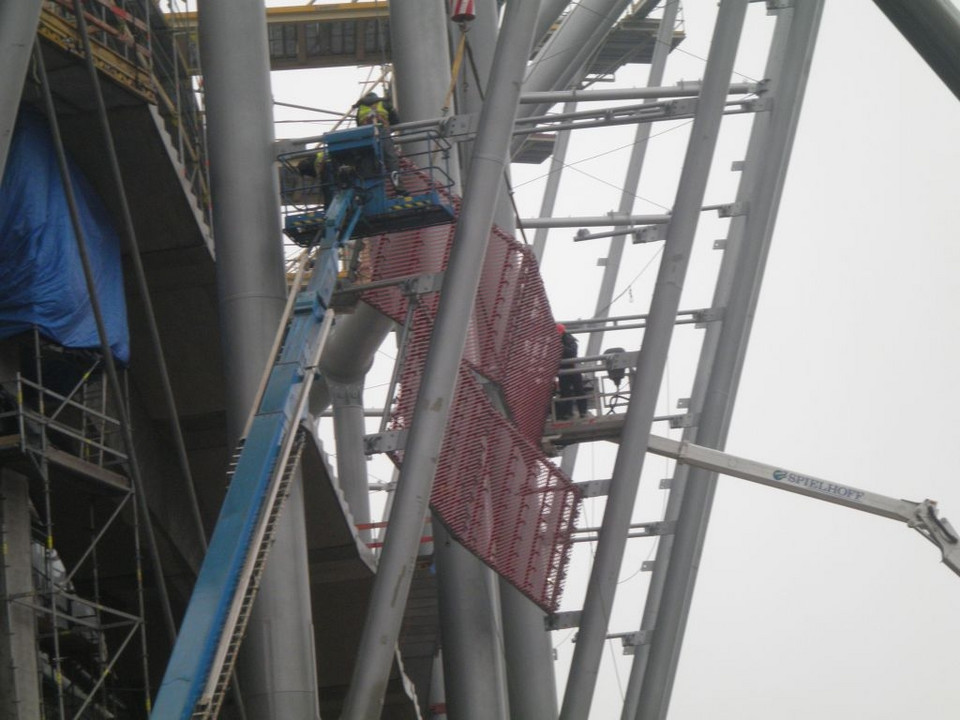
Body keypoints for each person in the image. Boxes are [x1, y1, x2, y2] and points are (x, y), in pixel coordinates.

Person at [352, 91, 404, 192]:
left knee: (367, 158)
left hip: (366, 135)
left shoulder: (360, 108)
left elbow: (358, 125)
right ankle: (398, 187)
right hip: (382, 131)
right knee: (390, 159)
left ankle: (367, 188)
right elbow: (396, 121)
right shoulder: (384, 103)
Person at [556, 323, 589, 420]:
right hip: (563, 370)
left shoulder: (570, 340)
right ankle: (568, 412)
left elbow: (572, 353)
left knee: (578, 390)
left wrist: (560, 347)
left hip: (573, 368)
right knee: (565, 392)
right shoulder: (563, 340)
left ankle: (582, 412)